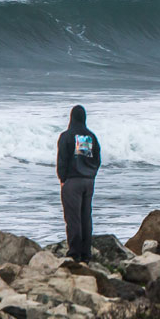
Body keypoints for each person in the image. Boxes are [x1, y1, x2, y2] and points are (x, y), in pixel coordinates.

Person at [56, 105, 101, 262]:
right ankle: (86, 253)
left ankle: (75, 253)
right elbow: (96, 160)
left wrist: (62, 179)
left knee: (73, 218)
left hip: (72, 182)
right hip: (88, 182)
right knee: (85, 217)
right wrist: (91, 174)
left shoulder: (67, 136)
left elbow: (62, 160)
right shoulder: (88, 137)